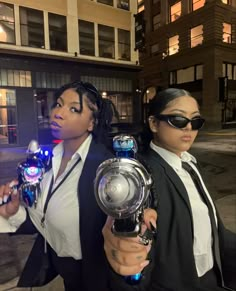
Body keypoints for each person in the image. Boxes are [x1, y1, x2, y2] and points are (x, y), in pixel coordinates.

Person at [102, 88, 236, 291]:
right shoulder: (142, 174)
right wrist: (127, 263)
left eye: (196, 121)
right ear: (154, 123)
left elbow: (211, 228)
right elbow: (134, 244)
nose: (189, 128)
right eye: (178, 119)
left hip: (212, 278)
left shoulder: (189, 163)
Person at [0, 81, 117, 291]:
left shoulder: (105, 168)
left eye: (73, 109)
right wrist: (14, 210)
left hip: (95, 277)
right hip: (61, 267)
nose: (58, 113)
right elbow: (42, 216)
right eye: (59, 104)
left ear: (91, 123)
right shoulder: (48, 160)